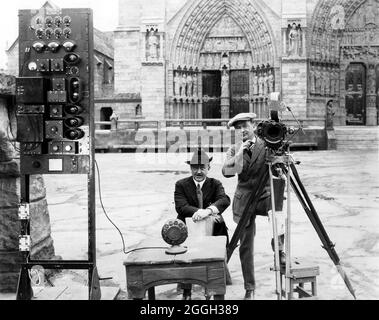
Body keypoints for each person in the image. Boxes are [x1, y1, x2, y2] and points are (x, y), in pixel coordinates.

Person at [222, 113, 285, 300]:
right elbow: (226, 172)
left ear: (253, 125)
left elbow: (279, 159)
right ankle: (250, 288)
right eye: (238, 128)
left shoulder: (266, 144)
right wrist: (241, 152)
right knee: (246, 246)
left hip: (264, 196)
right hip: (244, 199)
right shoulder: (234, 149)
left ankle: (279, 247)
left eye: (245, 126)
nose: (242, 130)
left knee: (278, 204)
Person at [174, 148, 231, 300]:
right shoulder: (181, 184)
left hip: (213, 230)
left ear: (209, 168)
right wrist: (199, 211)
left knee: (214, 260)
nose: (198, 172)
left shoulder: (215, 183)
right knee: (185, 258)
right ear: (190, 168)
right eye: (195, 167)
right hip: (188, 230)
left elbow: (224, 200)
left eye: (202, 168)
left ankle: (215, 289)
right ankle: (186, 291)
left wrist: (208, 211)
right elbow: (181, 207)